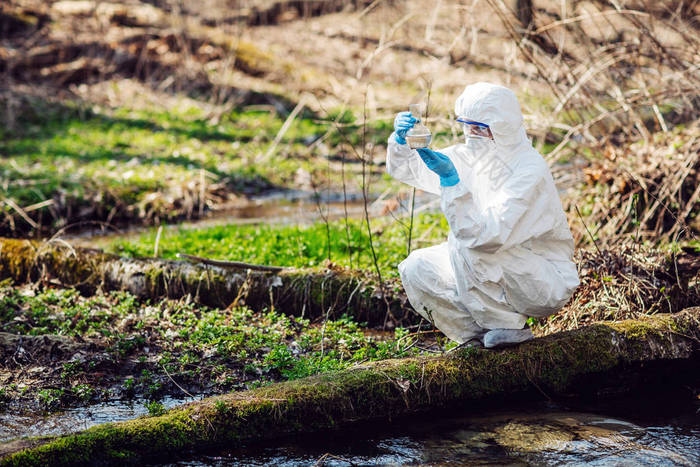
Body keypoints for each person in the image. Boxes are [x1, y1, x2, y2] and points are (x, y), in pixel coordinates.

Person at [387, 82, 579, 348]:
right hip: (491, 262)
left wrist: (451, 182)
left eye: (479, 128)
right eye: (467, 126)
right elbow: (409, 170)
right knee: (417, 267)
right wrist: (400, 142)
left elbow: (485, 237)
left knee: (465, 245)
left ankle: (509, 326)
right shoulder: (470, 156)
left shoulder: (528, 169)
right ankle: (476, 335)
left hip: (540, 277)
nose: (472, 134)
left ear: (503, 126)